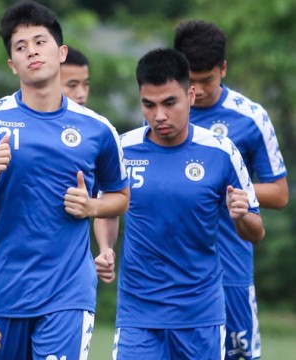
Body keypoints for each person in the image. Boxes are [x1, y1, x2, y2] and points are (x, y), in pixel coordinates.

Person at [0, 1, 130, 359]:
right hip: (5, 289)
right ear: (12, 64)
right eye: (20, 47)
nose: (32, 52)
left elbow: (120, 196)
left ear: (61, 51)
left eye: (40, 42)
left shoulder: (97, 129)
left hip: (68, 291)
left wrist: (92, 206)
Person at [96, 48, 265, 360]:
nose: (159, 115)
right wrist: (106, 247)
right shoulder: (122, 149)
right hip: (138, 313)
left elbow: (256, 232)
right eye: (149, 104)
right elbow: (108, 207)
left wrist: (241, 216)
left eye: (169, 103)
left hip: (200, 314)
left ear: (189, 95)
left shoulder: (221, 152)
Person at [174, 20, 288, 360]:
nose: (198, 90)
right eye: (190, 81)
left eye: (206, 80)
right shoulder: (163, 114)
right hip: (177, 269)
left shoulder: (250, 118)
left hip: (231, 265)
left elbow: (279, 194)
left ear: (223, 68)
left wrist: (230, 188)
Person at [0, 45, 92, 227]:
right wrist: (7, 228)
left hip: (72, 252)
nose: (81, 94)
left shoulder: (94, 129)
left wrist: (93, 209)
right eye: (72, 84)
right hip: (12, 250)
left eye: (86, 84)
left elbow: (114, 194)